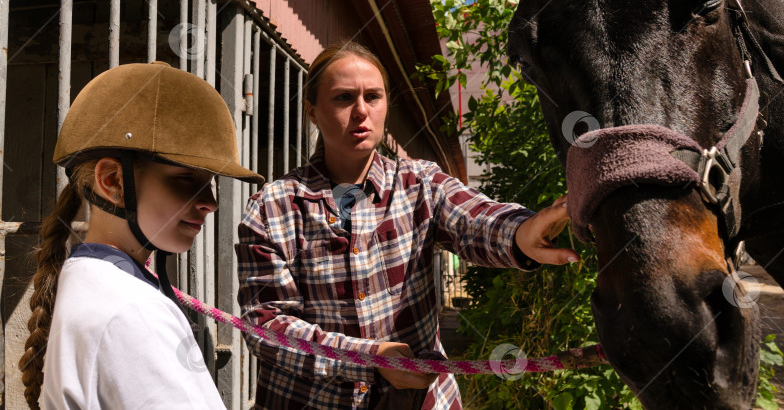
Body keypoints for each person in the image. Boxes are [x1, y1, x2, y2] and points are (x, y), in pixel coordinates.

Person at [235, 41, 579, 409]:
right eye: (343, 98)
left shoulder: (420, 184)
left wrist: (520, 234)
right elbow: (267, 327)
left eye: (374, 96)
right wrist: (372, 357)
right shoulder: (273, 208)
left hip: (422, 400)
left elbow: (475, 219)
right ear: (312, 112)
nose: (361, 112)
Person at [19, 61, 264, 409]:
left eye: (209, 184)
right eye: (185, 179)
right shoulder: (133, 311)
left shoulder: (93, 282)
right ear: (113, 182)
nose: (210, 203)